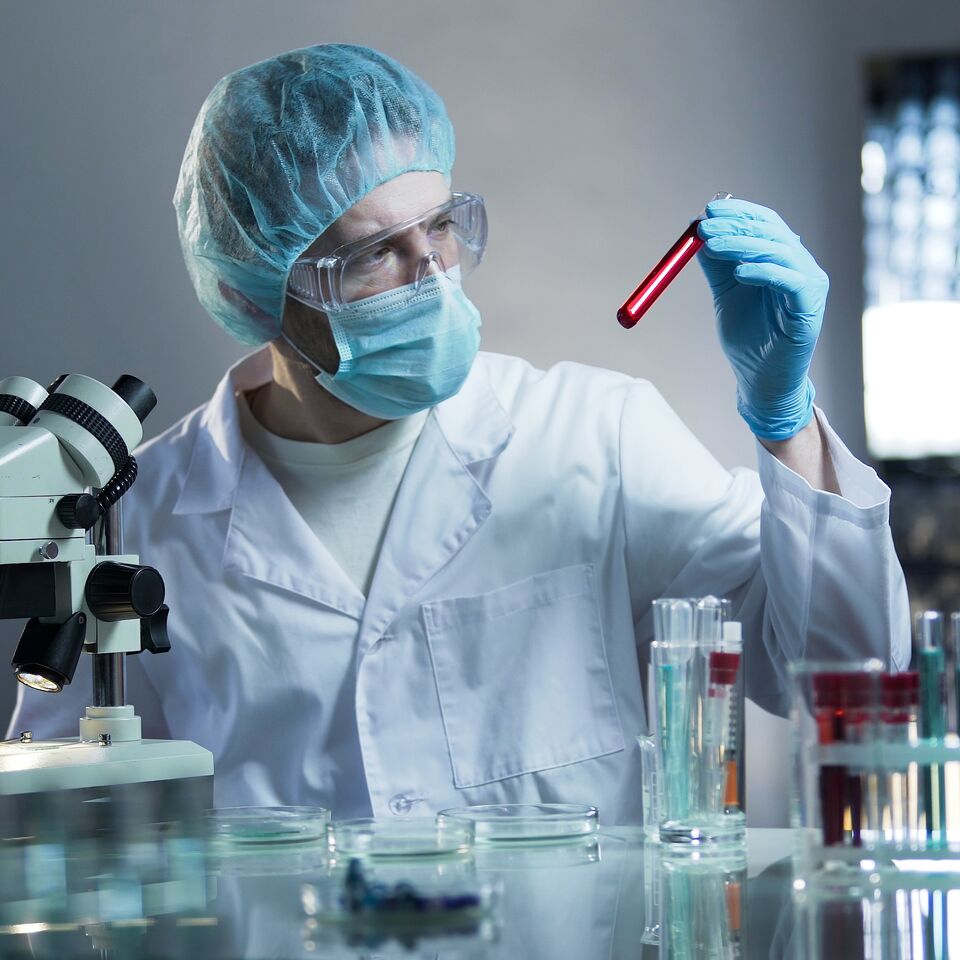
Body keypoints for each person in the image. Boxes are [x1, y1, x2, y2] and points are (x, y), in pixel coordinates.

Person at [8, 44, 910, 822]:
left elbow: (847, 677)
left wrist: (786, 423)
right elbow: (63, 817)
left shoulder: (593, 437)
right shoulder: (136, 517)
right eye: (375, 254)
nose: (433, 275)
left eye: (440, 227)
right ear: (255, 291)